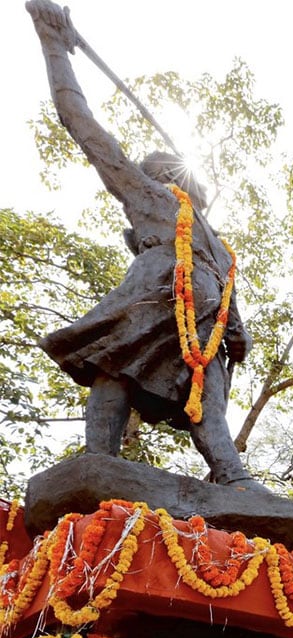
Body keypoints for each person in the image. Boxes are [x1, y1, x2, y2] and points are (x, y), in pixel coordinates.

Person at [27, 0, 254, 486]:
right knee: (118, 368)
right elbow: (84, 127)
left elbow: (224, 283)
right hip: (156, 298)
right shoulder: (152, 198)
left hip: (204, 326)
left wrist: (235, 327)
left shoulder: (217, 241)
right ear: (162, 177)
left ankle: (232, 476)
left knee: (209, 403)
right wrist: (55, 48)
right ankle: (99, 460)